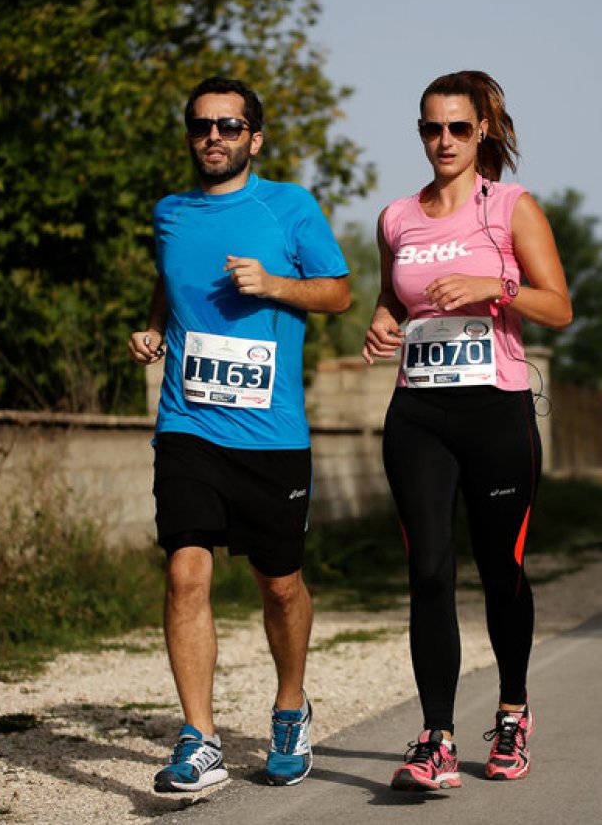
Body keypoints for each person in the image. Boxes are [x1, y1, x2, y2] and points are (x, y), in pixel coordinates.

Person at [128, 77, 351, 793]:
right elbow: (171, 278)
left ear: (254, 137)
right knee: (185, 573)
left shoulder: (289, 206)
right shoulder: (169, 212)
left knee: (280, 586)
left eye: (228, 125)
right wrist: (154, 327)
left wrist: (275, 284)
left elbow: (339, 291)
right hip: (188, 424)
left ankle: (290, 707)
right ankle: (200, 738)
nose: (213, 137)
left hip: (271, 435)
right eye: (201, 126)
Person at [362, 71, 572, 791]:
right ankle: (437, 738)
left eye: (457, 127)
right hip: (418, 413)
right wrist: (383, 320)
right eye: (431, 128)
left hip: (495, 411)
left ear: (481, 129)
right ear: (420, 132)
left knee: (500, 569)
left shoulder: (511, 208)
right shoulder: (397, 218)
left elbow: (559, 307)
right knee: (428, 571)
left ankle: (512, 710)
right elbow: (392, 297)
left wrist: (495, 287)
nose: (444, 140)